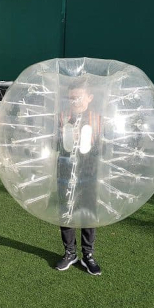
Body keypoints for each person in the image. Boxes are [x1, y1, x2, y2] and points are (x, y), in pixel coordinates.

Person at [54, 80, 102, 276]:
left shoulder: (97, 119)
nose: (75, 101)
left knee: (87, 212)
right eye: (72, 98)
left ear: (90, 98)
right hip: (65, 173)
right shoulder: (62, 117)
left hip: (89, 173)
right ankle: (69, 252)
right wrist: (63, 137)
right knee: (67, 212)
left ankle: (88, 254)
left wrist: (87, 142)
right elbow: (52, 144)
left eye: (79, 97)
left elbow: (105, 148)